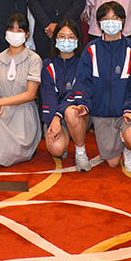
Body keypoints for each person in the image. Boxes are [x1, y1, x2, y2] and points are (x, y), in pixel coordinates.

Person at [61, 1, 131, 173]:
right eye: (106, 18)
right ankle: (82, 152)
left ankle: (128, 149)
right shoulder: (91, 49)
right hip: (100, 112)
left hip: (126, 112)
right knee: (113, 163)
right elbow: (83, 81)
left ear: (123, 21)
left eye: (115, 18)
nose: (111, 22)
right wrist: (84, 104)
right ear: (99, 23)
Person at [0, 13, 43, 166]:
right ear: (5, 32)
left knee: (10, 152)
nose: (15, 34)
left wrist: (0, 102)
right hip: (2, 111)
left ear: (27, 34)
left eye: (19, 30)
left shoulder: (34, 59)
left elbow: (30, 94)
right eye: (11, 30)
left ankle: (9, 150)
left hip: (24, 112)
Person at [41, 18, 83, 160]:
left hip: (77, 116)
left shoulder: (84, 65)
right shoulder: (47, 66)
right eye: (62, 36)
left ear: (77, 40)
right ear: (55, 39)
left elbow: (76, 94)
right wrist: (53, 121)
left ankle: (80, 150)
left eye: (71, 37)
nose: (66, 41)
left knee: (71, 113)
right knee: (56, 148)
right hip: (54, 117)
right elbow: (48, 97)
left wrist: (58, 116)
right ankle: (64, 138)